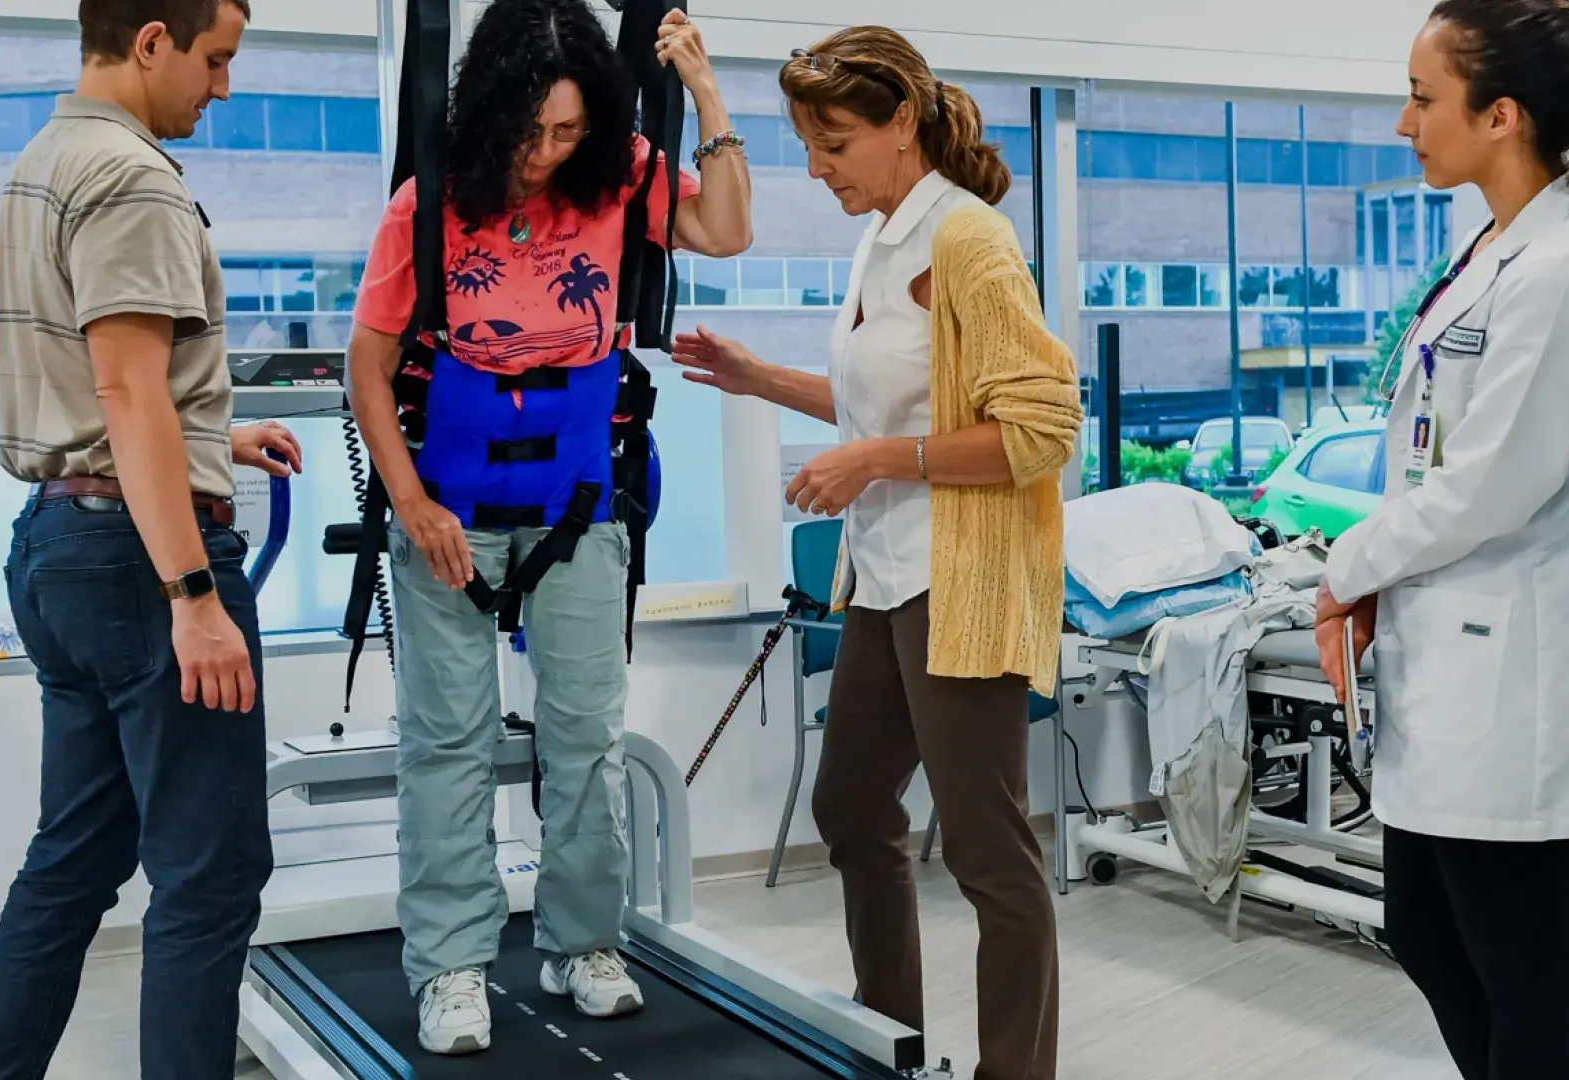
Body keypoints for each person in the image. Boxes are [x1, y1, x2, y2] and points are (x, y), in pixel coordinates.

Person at [344, 0, 751, 1056]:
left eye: (569, 130)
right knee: (448, 743)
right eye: (531, 130)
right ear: (491, 110)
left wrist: (706, 91)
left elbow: (728, 231)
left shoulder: (619, 177)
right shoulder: (427, 203)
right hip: (450, 504)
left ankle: (583, 944)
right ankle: (450, 966)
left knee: (585, 737)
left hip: (579, 501)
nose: (546, 152)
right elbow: (367, 368)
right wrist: (412, 504)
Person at [672, 26, 1078, 1080]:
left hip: (958, 581)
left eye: (834, 143)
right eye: (808, 145)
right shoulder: (884, 236)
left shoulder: (969, 239)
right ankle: (887, 1044)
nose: (817, 168)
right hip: (885, 578)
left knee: (990, 854)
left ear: (902, 123)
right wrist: (761, 378)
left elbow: (1043, 429)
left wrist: (876, 463)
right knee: (851, 807)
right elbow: (886, 403)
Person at [1314, 3, 1569, 1078]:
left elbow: (1489, 487)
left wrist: (1346, 569)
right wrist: (1370, 576)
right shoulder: (1498, 251)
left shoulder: (1566, 271)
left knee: (1517, 965)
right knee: (1425, 930)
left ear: (1501, 115)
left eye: (1422, 99)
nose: (1404, 123)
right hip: (1451, 658)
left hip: (1513, 677)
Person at [0, 2, 304, 1079]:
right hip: (139, 564)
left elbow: (101, 382)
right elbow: (124, 390)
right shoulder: (133, 176)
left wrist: (213, 436)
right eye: (216, 60)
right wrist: (192, 596)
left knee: (71, 863)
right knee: (208, 879)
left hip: (57, 545)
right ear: (152, 40)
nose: (223, 88)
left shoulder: (43, 160)